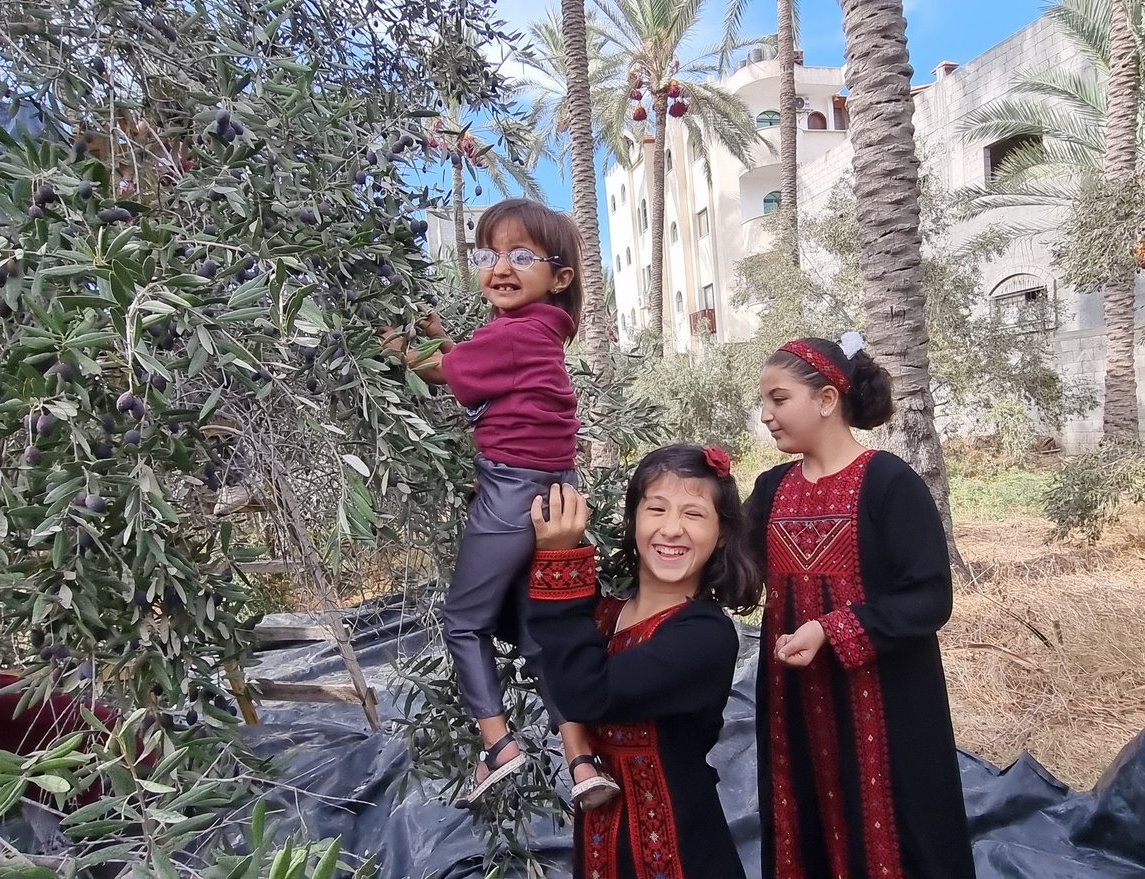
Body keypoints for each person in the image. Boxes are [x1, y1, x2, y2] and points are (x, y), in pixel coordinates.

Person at [381, 198, 618, 810]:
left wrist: (393, 353)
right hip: (554, 490)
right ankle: (583, 760)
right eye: (487, 255)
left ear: (559, 277)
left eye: (520, 256)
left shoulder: (516, 332)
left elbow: (442, 373)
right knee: (537, 636)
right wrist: (448, 343)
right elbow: (482, 366)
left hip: (511, 493)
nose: (499, 268)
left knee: (463, 620)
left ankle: (498, 747)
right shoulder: (540, 331)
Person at [746, 334, 976, 879]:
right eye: (765, 403)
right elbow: (734, 573)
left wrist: (834, 629)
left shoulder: (890, 484)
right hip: (792, 702)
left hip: (886, 704)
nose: (767, 416)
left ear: (827, 400)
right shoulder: (771, 487)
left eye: (779, 400)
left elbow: (929, 596)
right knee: (801, 809)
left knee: (894, 828)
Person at [527, 444, 761, 879]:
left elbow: (586, 691)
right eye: (656, 509)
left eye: (693, 514)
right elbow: (530, 620)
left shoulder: (704, 635)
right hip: (600, 846)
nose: (672, 529)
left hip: (682, 855)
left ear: (723, 533)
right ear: (633, 519)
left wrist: (561, 559)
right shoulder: (603, 615)